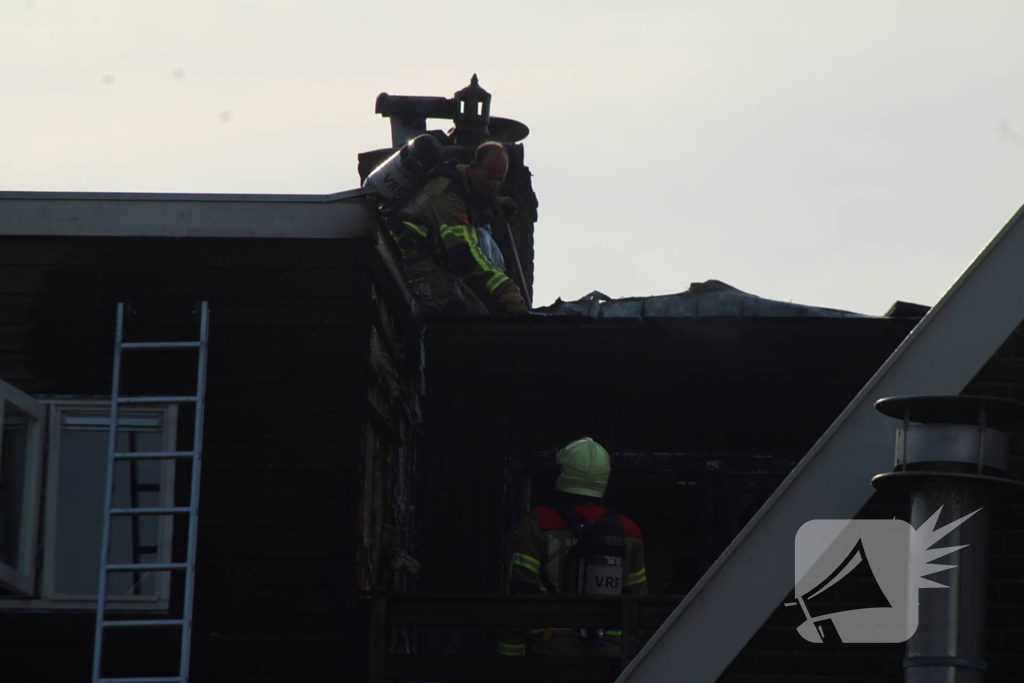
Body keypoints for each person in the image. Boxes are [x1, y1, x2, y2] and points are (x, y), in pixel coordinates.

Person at [497, 437, 647, 658]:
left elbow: (521, 593)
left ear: (563, 472)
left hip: (552, 648)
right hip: (612, 652)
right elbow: (639, 602)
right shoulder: (630, 530)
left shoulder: (538, 522)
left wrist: (508, 656)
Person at [388, 141, 528, 316]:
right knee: (458, 316)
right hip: (409, 258)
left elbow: (469, 209)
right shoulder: (447, 195)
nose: (495, 186)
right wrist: (505, 288)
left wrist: (494, 207)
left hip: (434, 260)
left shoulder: (464, 184)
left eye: (501, 179)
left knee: (481, 316)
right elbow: (463, 252)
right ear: (474, 168)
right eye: (490, 178)